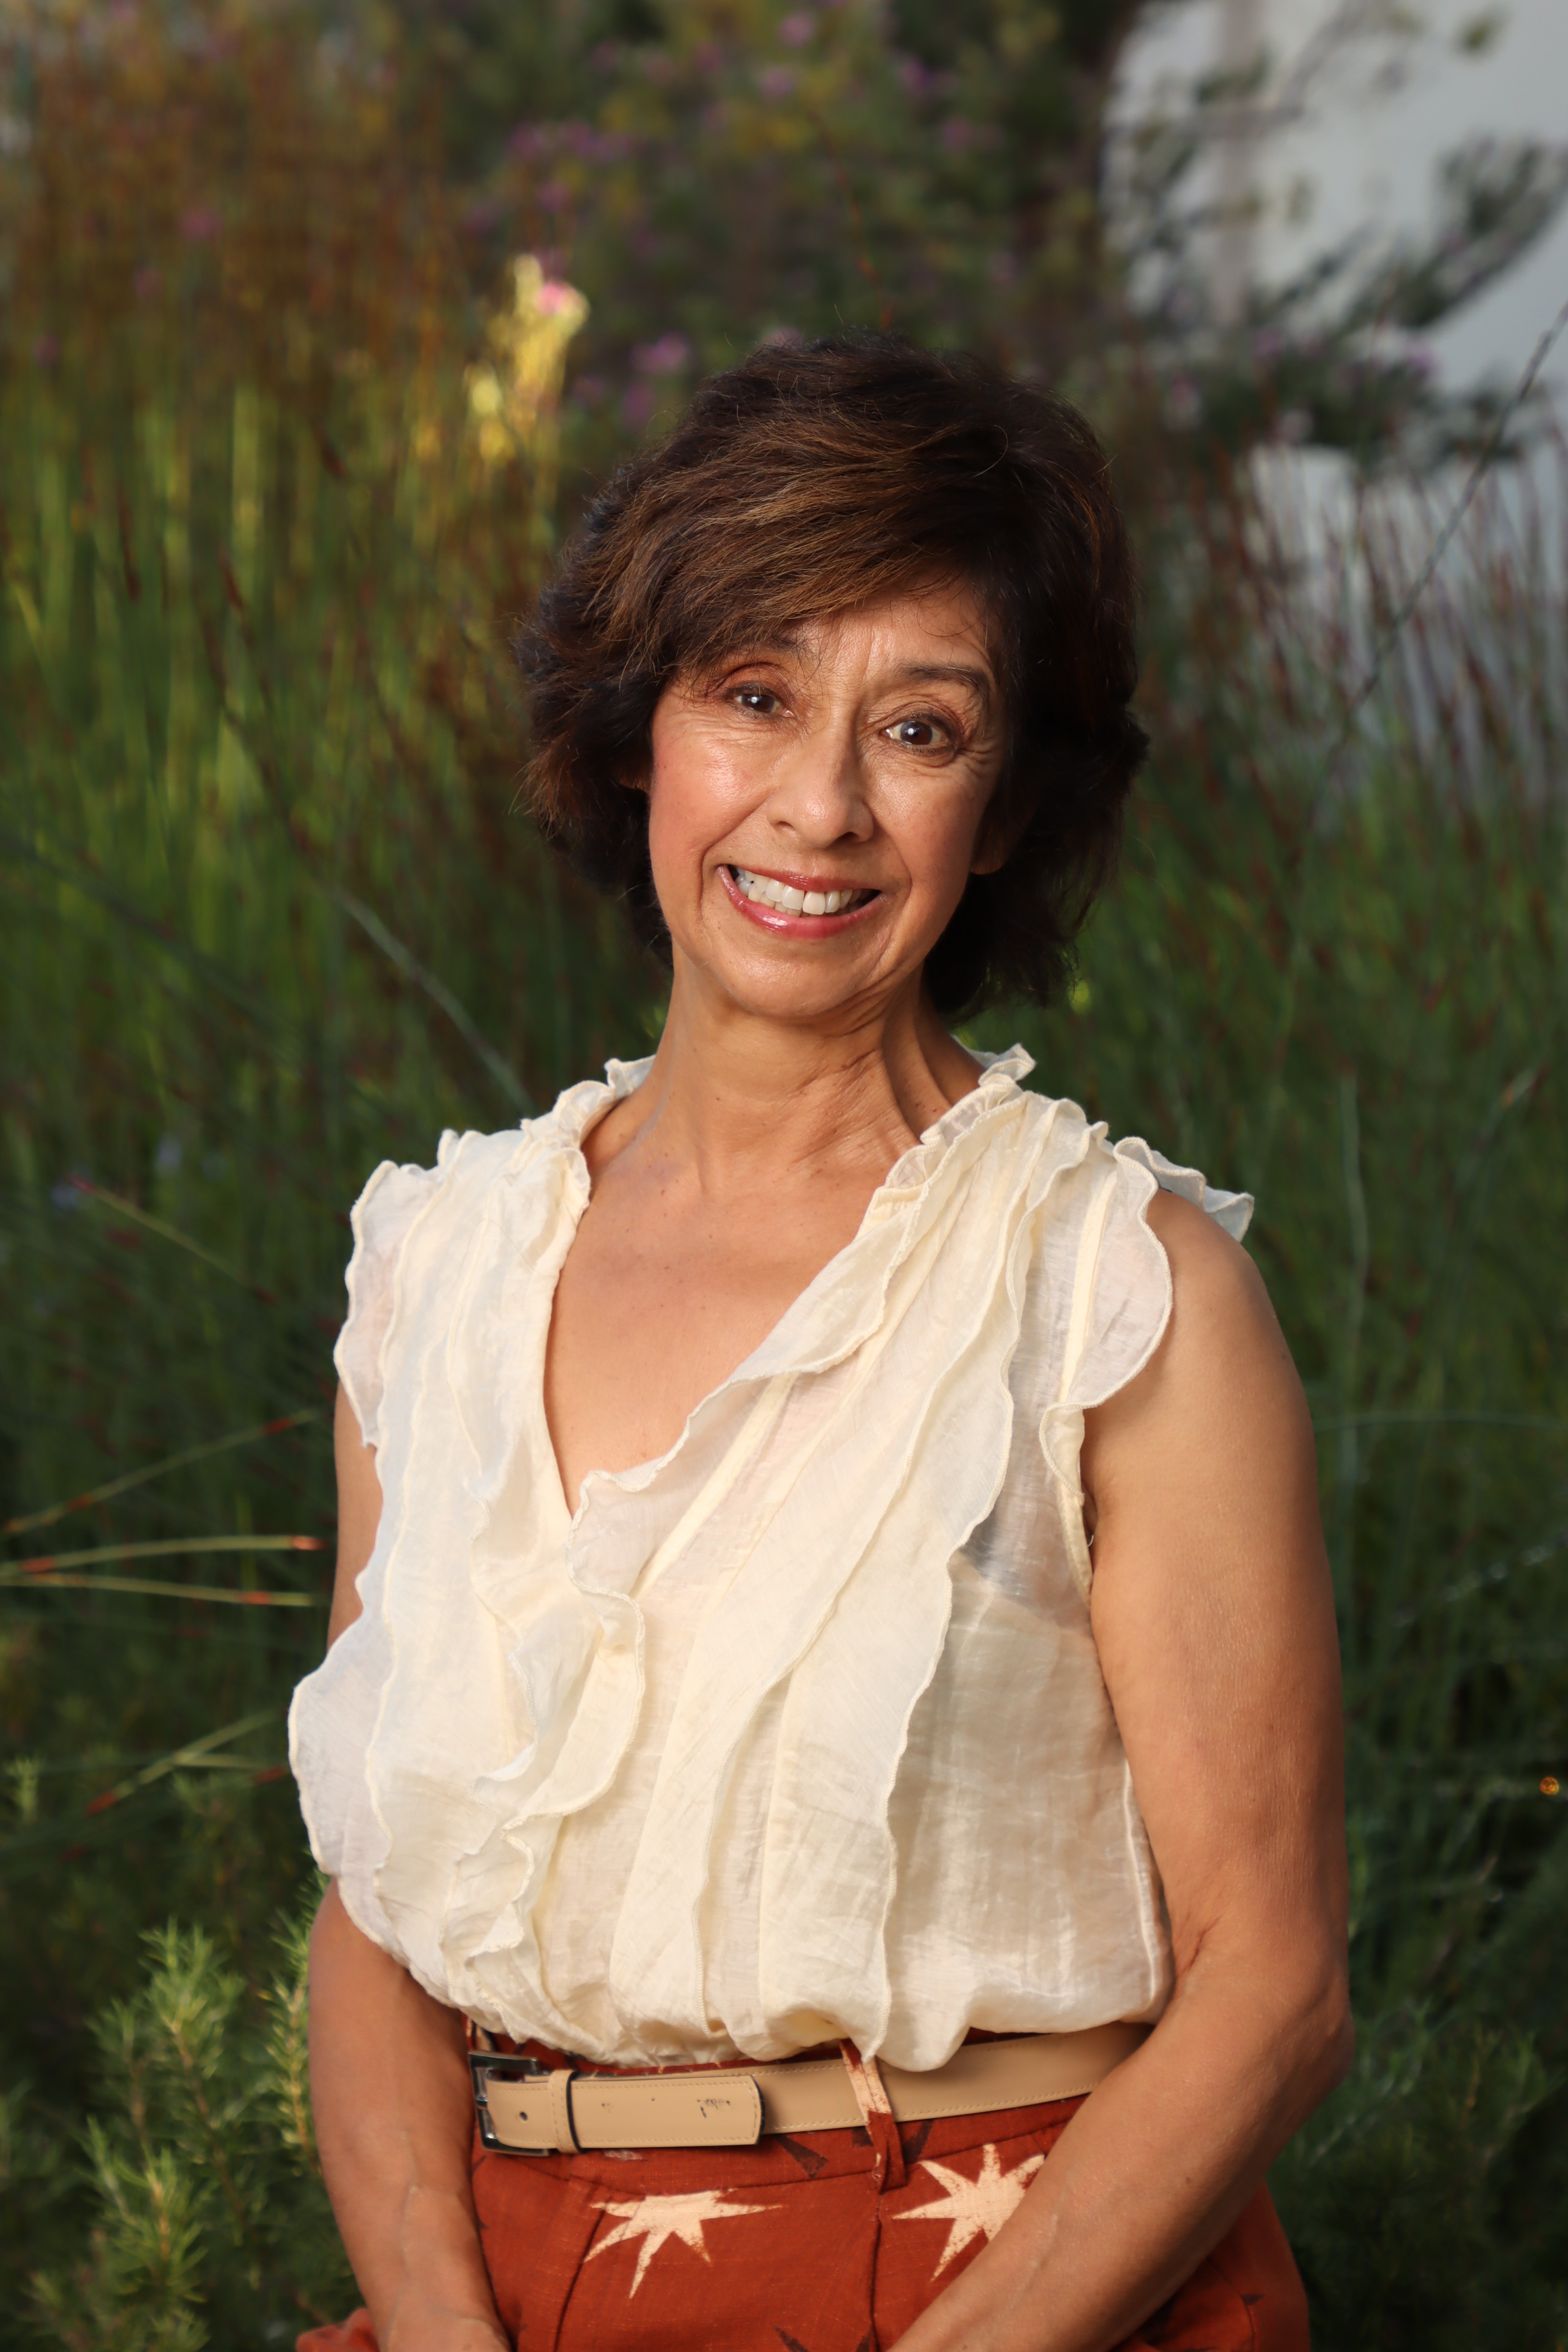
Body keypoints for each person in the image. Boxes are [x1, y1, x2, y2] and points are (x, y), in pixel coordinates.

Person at [289, 335, 1351, 2352]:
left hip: (987, 2283)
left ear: (1005, 806)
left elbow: (1275, 1986)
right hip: (501, 2290)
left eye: (919, 728)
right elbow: (380, 1910)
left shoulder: (1110, 1294)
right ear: (638, 732)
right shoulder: (438, 1268)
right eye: (755, 695)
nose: (820, 806)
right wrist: (433, 2330)